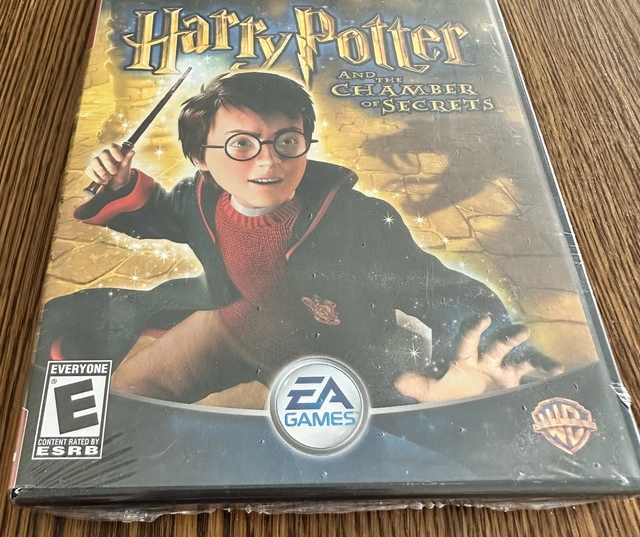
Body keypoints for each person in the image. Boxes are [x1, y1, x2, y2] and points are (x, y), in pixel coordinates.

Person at [67, 71, 553, 407]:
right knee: (126, 400)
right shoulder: (199, 198)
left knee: (380, 446)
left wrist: (481, 355)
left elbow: (441, 290)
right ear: (201, 158)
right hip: (233, 328)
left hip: (342, 356)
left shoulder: (358, 221)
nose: (269, 160)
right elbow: (158, 214)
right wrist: (120, 186)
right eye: (241, 144)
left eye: (287, 141)